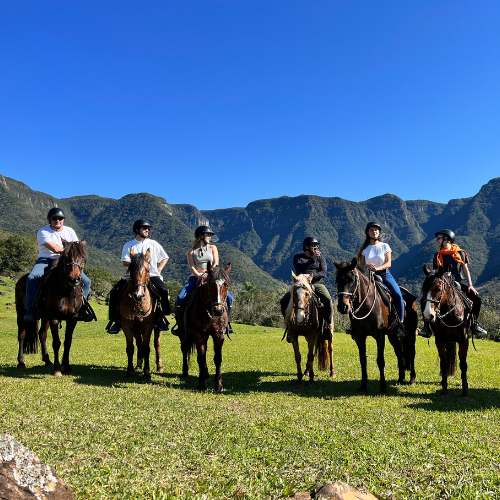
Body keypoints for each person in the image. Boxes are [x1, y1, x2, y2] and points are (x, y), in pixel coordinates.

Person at [24, 207, 93, 322]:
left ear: (63, 220)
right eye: (54, 218)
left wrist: (75, 251)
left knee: (86, 281)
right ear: (49, 219)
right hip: (45, 260)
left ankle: (82, 309)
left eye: (60, 218)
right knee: (32, 277)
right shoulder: (43, 232)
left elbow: (76, 247)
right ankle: (30, 309)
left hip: (66, 261)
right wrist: (69, 250)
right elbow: (55, 248)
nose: (57, 220)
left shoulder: (70, 231)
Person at [419, 229, 487, 339]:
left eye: (439, 238)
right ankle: (426, 327)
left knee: (477, 298)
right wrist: (443, 276)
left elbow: (465, 270)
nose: (437, 241)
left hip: (458, 282)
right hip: (443, 283)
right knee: (424, 300)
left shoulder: (460, 253)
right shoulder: (437, 255)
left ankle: (474, 325)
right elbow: (436, 273)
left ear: (448, 239)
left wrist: (470, 285)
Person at [106, 219, 170, 334]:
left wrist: (159, 269)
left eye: (148, 228)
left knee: (163, 290)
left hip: (152, 275)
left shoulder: (154, 244)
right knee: (114, 292)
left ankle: (162, 318)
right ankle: (116, 321)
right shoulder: (129, 245)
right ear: (136, 230)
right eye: (144, 228)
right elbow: (125, 262)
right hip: (132, 276)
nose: (147, 230)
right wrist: (138, 263)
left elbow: (165, 257)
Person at [172, 225, 234, 336]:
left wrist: (208, 274)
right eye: (208, 235)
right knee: (180, 297)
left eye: (210, 235)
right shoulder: (191, 252)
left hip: (212, 276)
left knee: (229, 298)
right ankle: (180, 326)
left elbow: (216, 263)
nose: (210, 237)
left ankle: (225, 325)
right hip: (195, 277)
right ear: (201, 236)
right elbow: (192, 267)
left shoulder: (213, 248)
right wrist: (199, 276)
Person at [357, 221, 405, 337]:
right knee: (355, 294)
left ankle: (400, 323)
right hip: (368, 276)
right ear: (368, 233)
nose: (374, 232)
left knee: (398, 295)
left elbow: (388, 263)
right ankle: (355, 324)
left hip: (384, 274)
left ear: (379, 232)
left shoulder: (385, 246)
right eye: (372, 230)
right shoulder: (365, 249)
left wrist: (377, 268)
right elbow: (361, 264)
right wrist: (367, 266)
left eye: (376, 230)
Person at [280, 237, 333, 340]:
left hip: (316, 283)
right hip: (301, 284)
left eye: (316, 245)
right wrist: (313, 260)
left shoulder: (321, 258)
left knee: (327, 299)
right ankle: (289, 326)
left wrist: (310, 276)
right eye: (313, 245)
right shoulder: (298, 257)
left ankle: (327, 325)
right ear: (306, 247)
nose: (315, 247)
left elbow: (323, 273)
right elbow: (300, 268)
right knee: (284, 301)